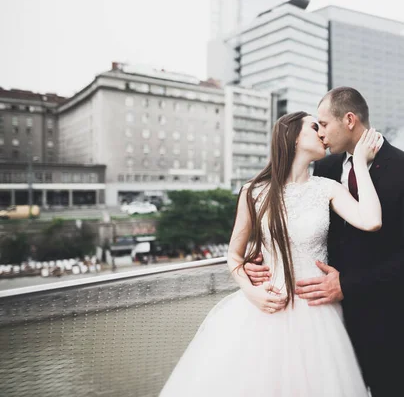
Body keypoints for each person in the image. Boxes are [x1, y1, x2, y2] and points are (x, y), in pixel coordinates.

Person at [159, 111, 382, 397]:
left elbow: (371, 221)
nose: (323, 134)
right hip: (266, 307)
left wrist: (361, 165)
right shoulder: (253, 191)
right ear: (293, 137)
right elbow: (234, 256)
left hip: (317, 311)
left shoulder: (328, 188)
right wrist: (250, 292)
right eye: (315, 127)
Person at [245, 87, 404, 396]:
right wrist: (262, 256)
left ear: (349, 120)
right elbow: (304, 226)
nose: (320, 133)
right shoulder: (326, 167)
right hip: (324, 313)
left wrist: (347, 285)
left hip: (384, 314)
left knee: (391, 388)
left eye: (324, 124)